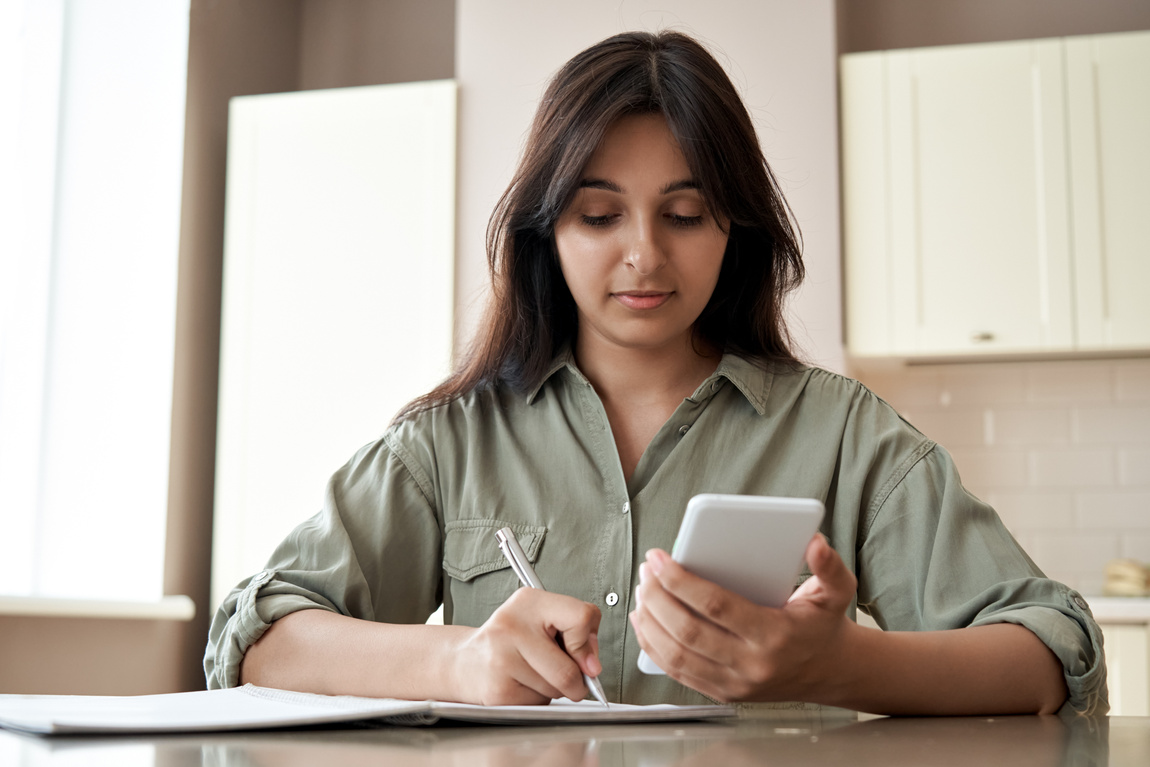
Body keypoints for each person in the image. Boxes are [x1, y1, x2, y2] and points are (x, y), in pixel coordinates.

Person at [204, 30, 1106, 715]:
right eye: (600, 215)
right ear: (546, 234)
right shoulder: (451, 441)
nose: (644, 254)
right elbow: (255, 639)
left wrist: (840, 663)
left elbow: (1054, 650)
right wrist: (458, 659)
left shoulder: (846, 434)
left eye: (684, 213)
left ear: (734, 231)